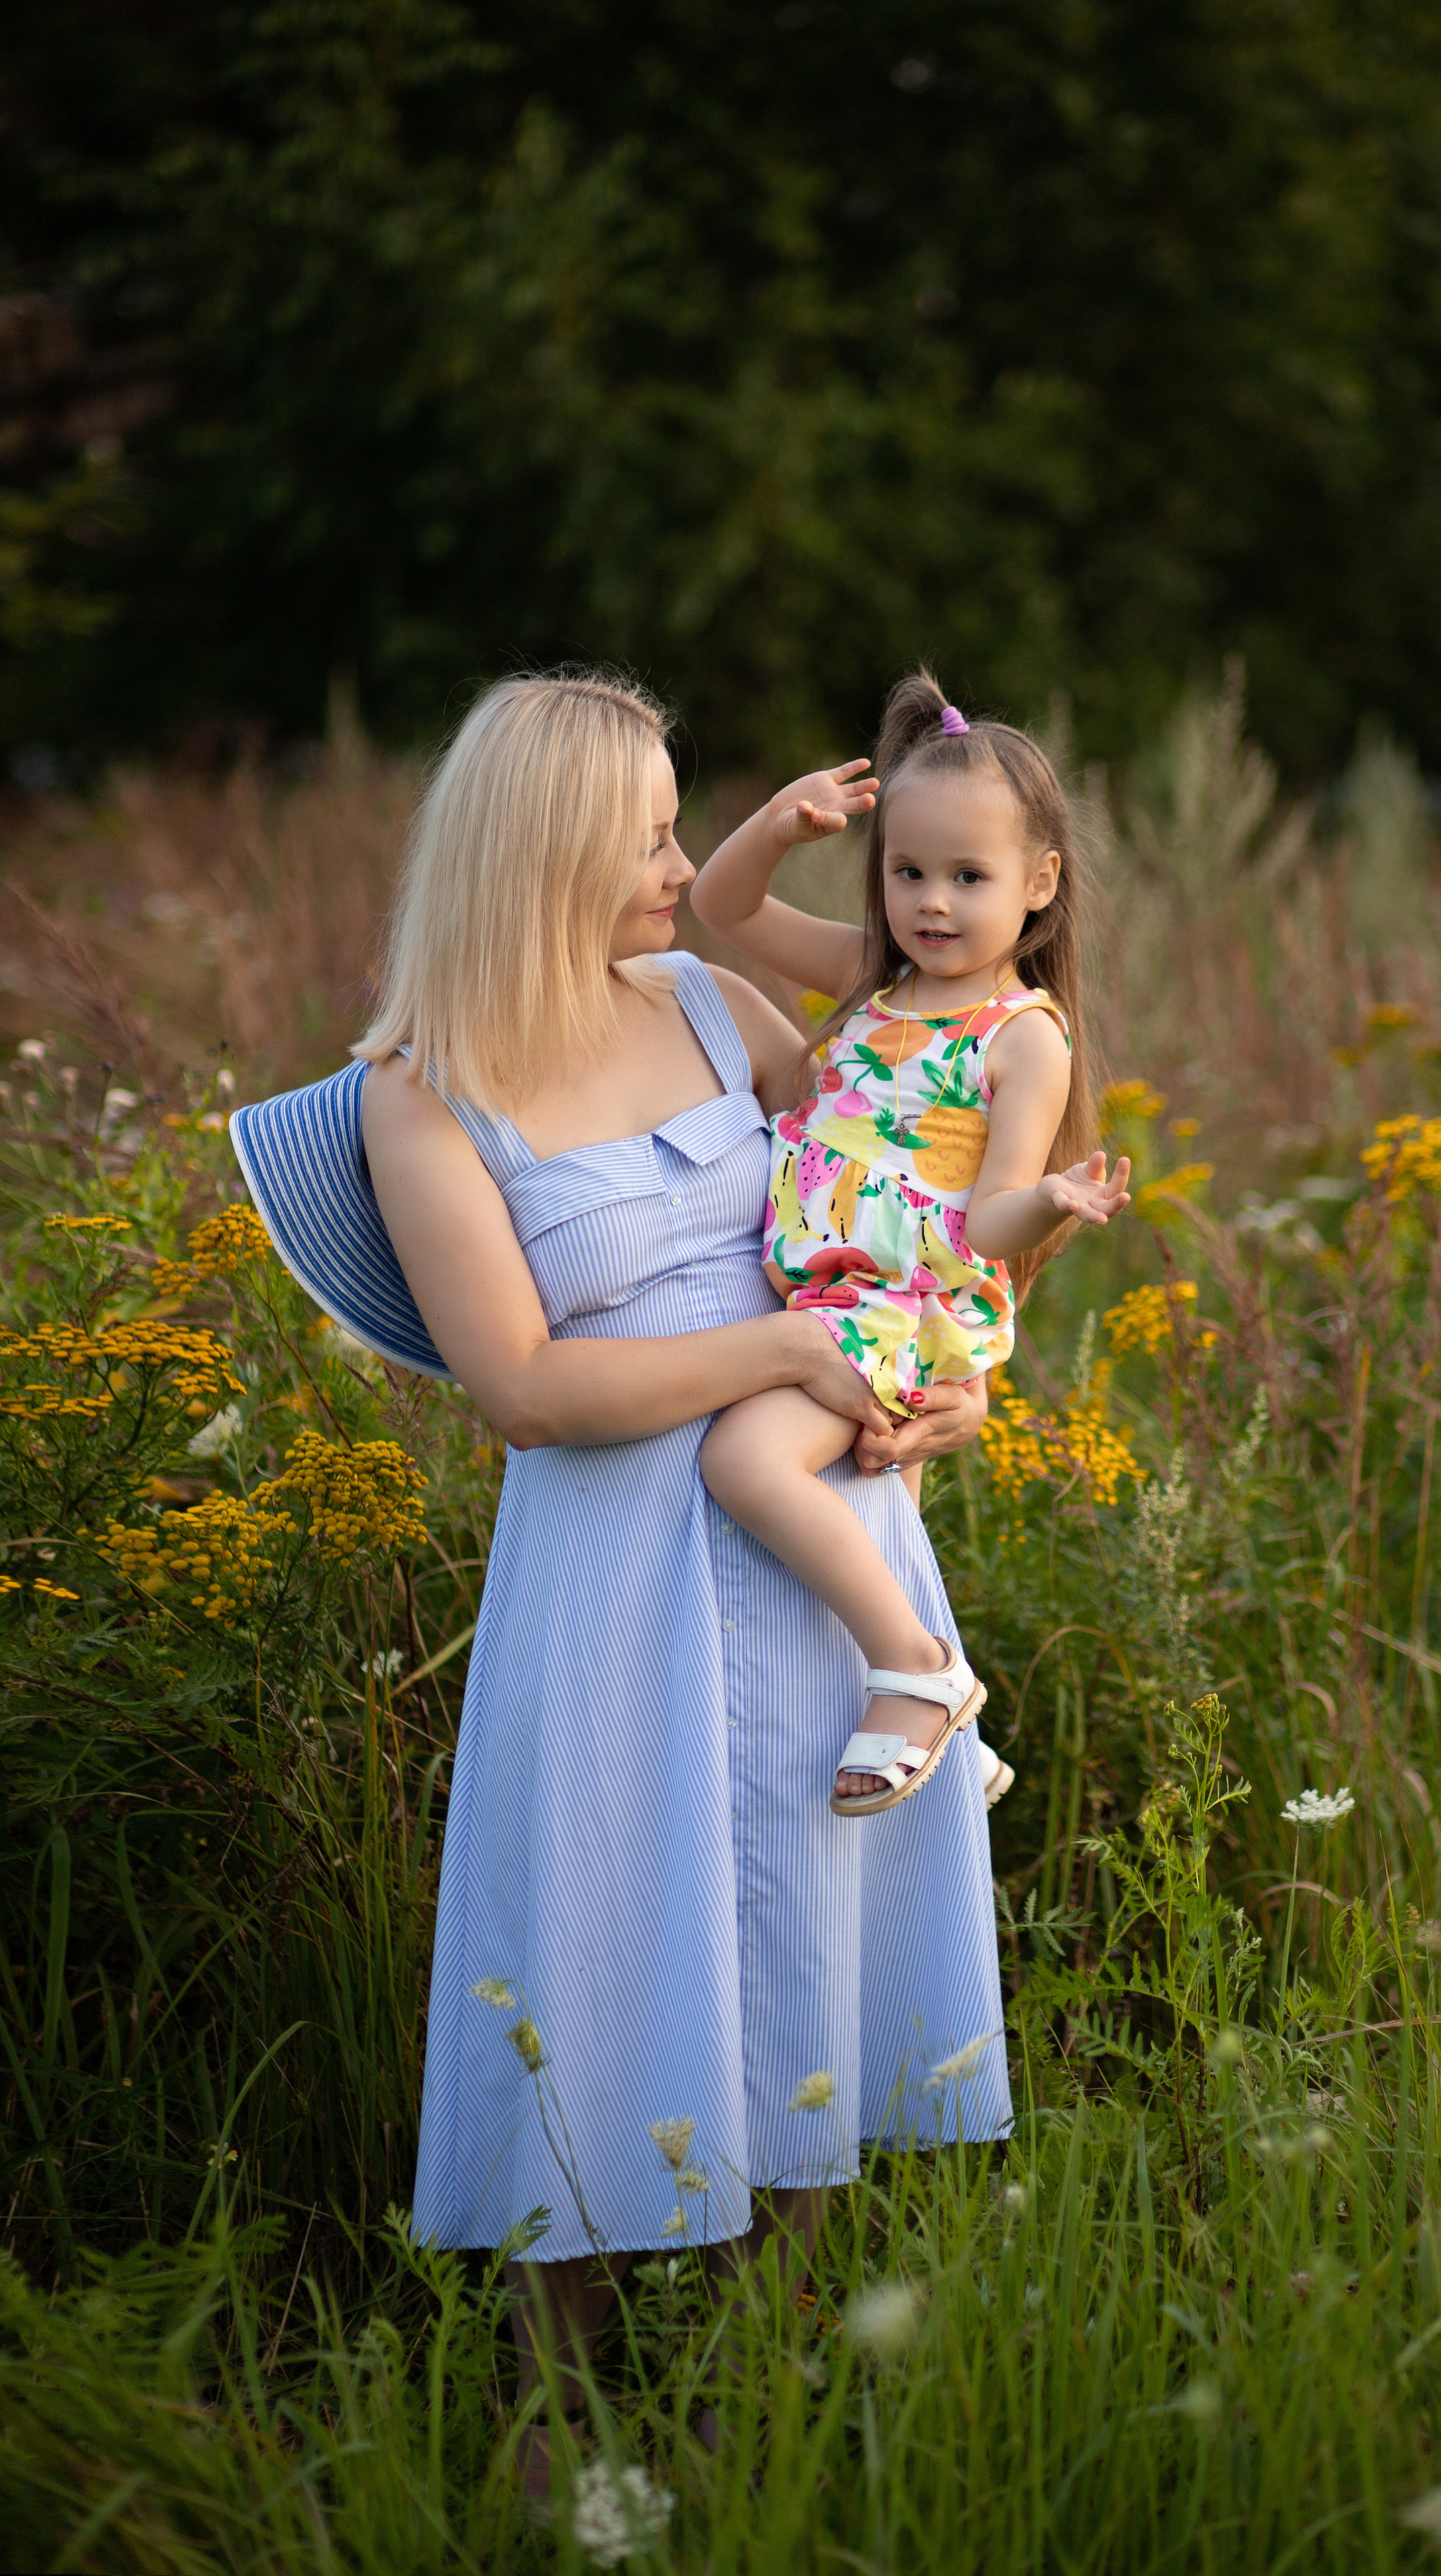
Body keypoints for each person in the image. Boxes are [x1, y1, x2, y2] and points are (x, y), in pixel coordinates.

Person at [227, 670, 1010, 2469]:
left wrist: (939, 1385)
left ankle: (786, 2394)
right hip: (614, 1582)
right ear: (544, 854)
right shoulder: (420, 1097)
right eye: (647, 832)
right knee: (593, 1935)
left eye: (677, 822)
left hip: (823, 1542)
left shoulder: (722, 1010)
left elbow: (886, 1225)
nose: (679, 859)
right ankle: (552, 2415)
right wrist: (778, 1365)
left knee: (815, 1929)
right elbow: (524, 1387)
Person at [692, 671, 1128, 1815]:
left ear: (1040, 885)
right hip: (824, 1295)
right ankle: (950, 1749)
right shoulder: (873, 981)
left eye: (969, 877)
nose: (932, 903)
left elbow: (990, 1219)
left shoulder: (1023, 1036)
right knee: (859, 1520)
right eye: (907, 872)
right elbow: (724, 912)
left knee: (743, 1462)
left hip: (899, 1307)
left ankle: (924, 1671)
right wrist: (778, 827)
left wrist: (1053, 1201)